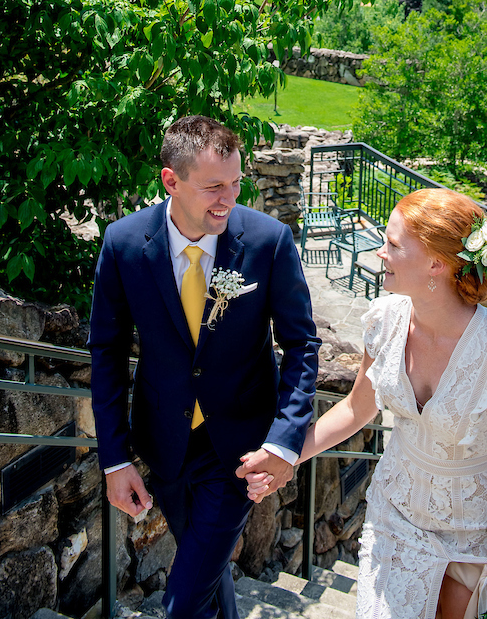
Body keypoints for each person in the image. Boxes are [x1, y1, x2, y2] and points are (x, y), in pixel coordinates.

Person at [249, 188, 487, 619]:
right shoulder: (384, 320)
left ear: (436, 264)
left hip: (471, 528)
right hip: (393, 513)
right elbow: (357, 408)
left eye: (393, 245)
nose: (381, 253)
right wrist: (287, 456)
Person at [89, 116, 320, 619]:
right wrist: (115, 459)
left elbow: (302, 345)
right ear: (171, 181)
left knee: (184, 601)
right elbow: (106, 351)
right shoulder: (123, 243)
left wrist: (284, 441)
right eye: (214, 186)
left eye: (235, 183)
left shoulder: (269, 241)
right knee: (208, 579)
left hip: (240, 449)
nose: (228, 199)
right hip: (165, 444)